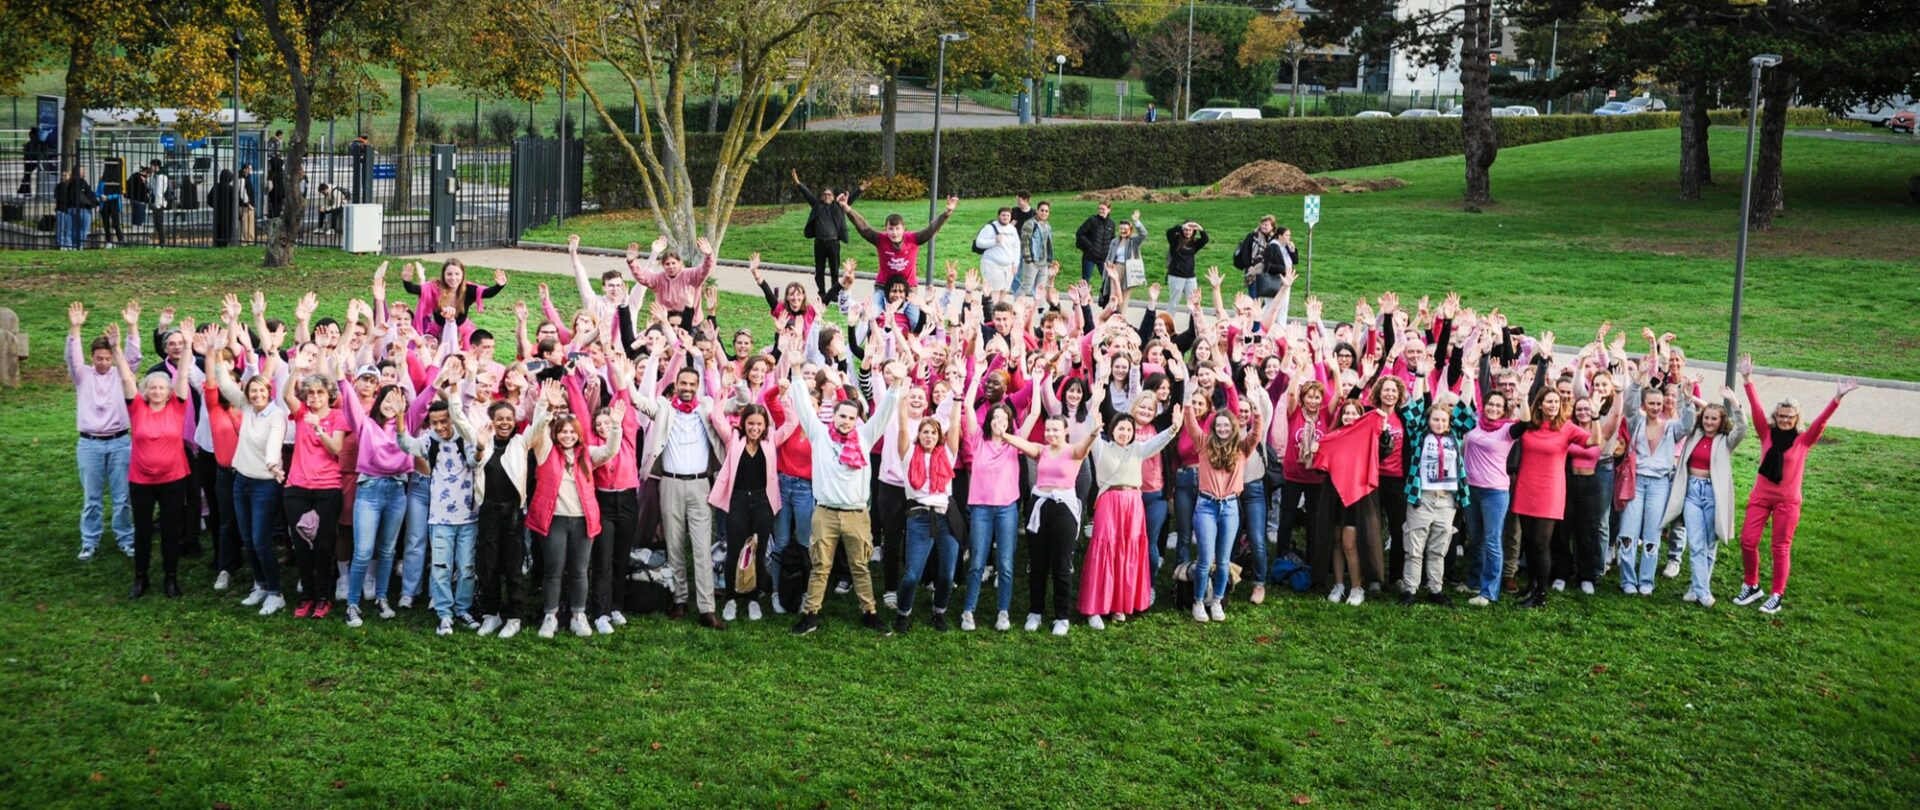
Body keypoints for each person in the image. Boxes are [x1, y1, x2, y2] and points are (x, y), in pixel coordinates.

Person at [786, 363, 903, 636]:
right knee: (820, 566)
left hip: (856, 514)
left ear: (857, 420)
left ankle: (869, 613)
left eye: (851, 417)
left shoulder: (864, 436)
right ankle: (811, 614)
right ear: (833, 416)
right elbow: (803, 405)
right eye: (842, 416)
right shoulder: (819, 435)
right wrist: (794, 371)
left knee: (860, 567)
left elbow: (884, 413)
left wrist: (895, 386)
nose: (846, 421)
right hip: (825, 512)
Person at [1733, 355, 1853, 614]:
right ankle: (1752, 585)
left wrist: (1837, 399)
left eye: (1789, 416)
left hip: (1788, 501)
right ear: (1775, 416)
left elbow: (1820, 423)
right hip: (1761, 496)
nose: (1784, 420)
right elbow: (1755, 408)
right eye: (1780, 416)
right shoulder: (1766, 433)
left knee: (1780, 547)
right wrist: (1747, 379)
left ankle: (1777, 593)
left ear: (1797, 417)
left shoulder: (1804, 440)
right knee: (1747, 541)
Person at [1004, 367, 1104, 635]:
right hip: (1040, 507)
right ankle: (1035, 612)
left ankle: (1062, 616)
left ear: (1064, 432)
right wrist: (1001, 433)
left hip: (1064, 510)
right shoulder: (1040, 450)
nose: (1050, 433)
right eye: (1048, 430)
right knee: (1037, 564)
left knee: (1061, 564)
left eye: (1055, 430)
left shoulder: (1074, 451)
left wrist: (1094, 433)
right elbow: (1018, 443)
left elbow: (1086, 446)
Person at [630, 356, 728, 629]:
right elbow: (638, 401)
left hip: (700, 484)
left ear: (697, 386)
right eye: (683, 382)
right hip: (670, 483)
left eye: (692, 383)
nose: (687, 387)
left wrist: (726, 378)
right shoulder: (663, 408)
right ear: (676, 384)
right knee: (673, 544)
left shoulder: (706, 407)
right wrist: (626, 376)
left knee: (701, 548)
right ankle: (680, 598)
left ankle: (707, 608)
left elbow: (737, 403)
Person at [111, 319, 196, 599]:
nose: (157, 391)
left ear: (168, 392)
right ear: (146, 392)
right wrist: (116, 350)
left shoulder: (177, 406)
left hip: (173, 480)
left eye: (162, 388)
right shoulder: (137, 408)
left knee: (171, 530)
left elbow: (182, 376)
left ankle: (171, 578)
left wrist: (186, 345)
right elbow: (125, 378)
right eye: (153, 388)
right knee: (144, 530)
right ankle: (141, 577)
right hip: (142, 481)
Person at [1082, 401, 1185, 627]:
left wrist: (1174, 428)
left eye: (1129, 429)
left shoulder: (1138, 449)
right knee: (1106, 549)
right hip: (1109, 501)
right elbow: (1092, 430)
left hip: (1133, 504)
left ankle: (1119, 604)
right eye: (1121, 428)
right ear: (1113, 430)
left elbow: (1159, 442)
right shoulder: (1101, 447)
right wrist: (1095, 405)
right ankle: (1095, 608)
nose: (1125, 432)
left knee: (1127, 551)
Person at [209, 329, 288, 616]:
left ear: (270, 394)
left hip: (265, 485)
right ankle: (259, 584)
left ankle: (275, 592)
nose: (256, 394)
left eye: (261, 391)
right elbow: (223, 383)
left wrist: (271, 464)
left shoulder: (276, 416)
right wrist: (217, 352)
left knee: (260, 540)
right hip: (241, 482)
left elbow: (274, 443)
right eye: (252, 390)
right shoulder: (245, 407)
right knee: (246, 538)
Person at [457, 396, 549, 639]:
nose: (504, 422)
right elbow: (458, 420)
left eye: (508, 419)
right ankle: (491, 614)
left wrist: (545, 404)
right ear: (493, 421)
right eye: (500, 419)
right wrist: (455, 389)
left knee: (512, 566)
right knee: (488, 565)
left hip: (513, 512)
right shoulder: (484, 440)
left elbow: (539, 425)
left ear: (514, 421)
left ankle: (514, 617)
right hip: (488, 510)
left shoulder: (521, 442)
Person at [1184, 369, 1270, 621]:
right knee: (1205, 559)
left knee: (1223, 561)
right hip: (1207, 506)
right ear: (1213, 427)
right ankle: (1199, 601)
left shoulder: (1242, 448)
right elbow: (1189, 420)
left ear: (1232, 428)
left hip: (1231, 507)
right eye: (1218, 425)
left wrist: (1254, 404)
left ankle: (1218, 600)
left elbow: (1256, 431)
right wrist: (1188, 396)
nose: (1222, 428)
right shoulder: (1203, 443)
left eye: (1226, 425)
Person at [398, 394, 483, 636]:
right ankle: (444, 613)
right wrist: (400, 417)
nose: (439, 426)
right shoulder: (430, 440)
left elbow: (475, 462)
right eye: (434, 422)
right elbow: (407, 445)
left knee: (466, 567)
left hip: (468, 516)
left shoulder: (464, 439)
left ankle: (462, 609)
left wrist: (479, 447)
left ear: (453, 420)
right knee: (440, 566)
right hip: (439, 518)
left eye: (444, 421)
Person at [523, 381, 602, 638]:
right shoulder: (546, 451)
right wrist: (547, 406)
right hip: (554, 520)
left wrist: (614, 428)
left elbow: (611, 449)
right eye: (563, 432)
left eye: (572, 432)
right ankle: (550, 616)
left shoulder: (587, 455)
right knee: (553, 570)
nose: (567, 436)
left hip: (582, 521)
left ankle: (579, 615)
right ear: (556, 434)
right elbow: (537, 432)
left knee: (580, 570)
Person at [1508, 382, 1595, 608]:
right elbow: (1524, 420)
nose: (1554, 405)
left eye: (1557, 402)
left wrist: (1594, 418)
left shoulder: (1566, 428)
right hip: (1527, 487)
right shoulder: (1531, 426)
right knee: (1528, 540)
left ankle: (1540, 595)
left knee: (1540, 543)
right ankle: (1532, 586)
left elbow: (1594, 442)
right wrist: (1525, 394)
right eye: (1549, 401)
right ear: (1541, 404)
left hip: (1550, 491)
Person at [1660, 382, 1745, 608]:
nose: (1708, 422)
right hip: (1692, 493)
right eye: (1706, 418)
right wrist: (1686, 399)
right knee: (1697, 543)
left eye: (1713, 419)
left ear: (1721, 422)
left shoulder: (1725, 441)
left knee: (1709, 544)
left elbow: (1742, 428)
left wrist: (1735, 403)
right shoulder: (1694, 434)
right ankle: (1704, 592)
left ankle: (1695, 587)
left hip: (1712, 493)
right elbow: (1685, 418)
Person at [68, 301, 141, 561]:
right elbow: (72, 357)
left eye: (108, 358)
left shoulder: (120, 375)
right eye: (99, 358)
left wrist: (132, 328)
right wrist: (75, 329)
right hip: (90, 444)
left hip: (120, 441)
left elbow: (133, 358)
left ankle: (126, 538)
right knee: (93, 498)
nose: (103, 363)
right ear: (92, 358)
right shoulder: (83, 375)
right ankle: (90, 541)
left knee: (122, 497)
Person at [1616, 355, 1694, 597]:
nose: (1656, 407)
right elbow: (1628, 405)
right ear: (1645, 404)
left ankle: (1646, 580)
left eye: (1659, 404)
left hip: (1660, 484)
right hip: (1636, 482)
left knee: (1652, 534)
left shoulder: (1671, 427)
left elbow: (1688, 425)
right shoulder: (1636, 421)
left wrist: (1688, 402)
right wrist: (1638, 380)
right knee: (1628, 532)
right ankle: (1628, 579)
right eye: (1651, 403)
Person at [1398, 387, 1477, 606]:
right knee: (1414, 547)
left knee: (1438, 548)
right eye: (1435, 419)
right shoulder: (1419, 436)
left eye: (1444, 420)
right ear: (1429, 420)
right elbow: (1414, 411)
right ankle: (1409, 589)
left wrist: (1469, 378)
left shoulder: (1456, 436)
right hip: (1422, 497)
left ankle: (1435, 589)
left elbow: (1465, 410)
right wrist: (1421, 376)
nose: (1440, 423)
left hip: (1447, 500)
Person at [892, 391, 961, 633]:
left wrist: (958, 399)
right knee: (912, 574)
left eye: (933, 432)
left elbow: (955, 426)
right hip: (920, 517)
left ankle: (939, 611)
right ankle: (903, 613)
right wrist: (901, 397)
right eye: (924, 432)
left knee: (947, 573)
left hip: (945, 517)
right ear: (918, 435)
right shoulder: (909, 454)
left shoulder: (947, 454)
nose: (929, 435)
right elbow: (902, 429)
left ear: (938, 435)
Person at [708, 401, 780, 623]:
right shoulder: (734, 440)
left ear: (765, 425)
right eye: (750, 423)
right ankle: (731, 598)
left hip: (762, 501)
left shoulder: (771, 441)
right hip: (738, 499)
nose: (755, 428)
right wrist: (724, 393)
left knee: (758, 552)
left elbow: (793, 421)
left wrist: (785, 397)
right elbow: (716, 416)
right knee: (735, 550)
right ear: (743, 423)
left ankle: (753, 599)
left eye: (759, 424)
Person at [843, 194, 958, 296]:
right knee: (874, 312)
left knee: (914, 317)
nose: (894, 233)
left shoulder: (913, 239)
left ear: (904, 228)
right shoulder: (880, 239)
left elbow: (931, 229)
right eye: (891, 229)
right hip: (883, 286)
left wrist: (946, 214)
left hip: (909, 287)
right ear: (885, 229)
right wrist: (847, 209)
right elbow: (864, 228)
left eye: (897, 229)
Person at [792, 169, 866, 299]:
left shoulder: (837, 207)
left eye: (829, 194)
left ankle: (834, 293)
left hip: (833, 243)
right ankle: (821, 292)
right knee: (819, 270)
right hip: (819, 243)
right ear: (821, 196)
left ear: (833, 196)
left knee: (834, 270)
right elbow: (807, 194)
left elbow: (850, 200)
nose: (827, 196)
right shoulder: (817, 206)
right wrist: (798, 183)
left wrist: (859, 189)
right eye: (825, 194)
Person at [625, 235, 715, 328]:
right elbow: (643, 277)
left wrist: (709, 256)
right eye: (667, 264)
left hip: (692, 323)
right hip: (666, 323)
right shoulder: (658, 279)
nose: (671, 266)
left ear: (680, 263)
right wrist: (632, 262)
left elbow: (705, 269)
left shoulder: (691, 275)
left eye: (673, 263)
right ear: (663, 266)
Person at [1233, 216, 1296, 298]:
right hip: (1253, 269)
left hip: (1267, 270)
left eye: (1266, 225)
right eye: (1262, 224)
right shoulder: (1252, 236)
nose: (1263, 226)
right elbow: (1245, 253)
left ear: (1272, 227)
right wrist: (1249, 266)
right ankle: (1254, 309)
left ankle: (1263, 310)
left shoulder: (1274, 240)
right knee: (1254, 294)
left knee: (1269, 294)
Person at [1100, 210, 1147, 306]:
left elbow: (1143, 234)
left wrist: (1136, 221)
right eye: (1121, 229)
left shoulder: (1133, 241)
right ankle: (1111, 316)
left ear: (1130, 230)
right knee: (1113, 295)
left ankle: (1121, 317)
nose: (1123, 231)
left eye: (1125, 229)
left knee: (1124, 297)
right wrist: (1105, 275)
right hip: (1115, 268)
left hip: (1128, 270)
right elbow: (1109, 258)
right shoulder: (1115, 241)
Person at [973, 207, 1021, 293]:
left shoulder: (1012, 229)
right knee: (993, 292)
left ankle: (1000, 306)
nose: (1005, 217)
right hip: (992, 264)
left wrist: (1015, 264)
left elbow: (1016, 247)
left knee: (1004, 290)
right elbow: (978, 243)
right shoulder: (990, 227)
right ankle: (990, 306)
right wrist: (994, 241)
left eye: (1008, 215)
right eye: (1003, 215)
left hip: (1008, 266)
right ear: (998, 216)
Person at [1164, 219, 1209, 305]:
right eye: (1185, 230)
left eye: (1190, 230)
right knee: (1174, 303)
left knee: (1194, 302)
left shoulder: (1194, 243)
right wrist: (1182, 226)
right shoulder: (1175, 240)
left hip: (1190, 277)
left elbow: (1205, 240)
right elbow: (1169, 232)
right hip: (1176, 276)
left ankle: (1194, 319)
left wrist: (1200, 229)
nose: (1187, 232)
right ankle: (1168, 318)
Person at [1017, 200, 1055, 298]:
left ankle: (1039, 310)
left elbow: (1048, 244)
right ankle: (1016, 308)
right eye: (1042, 210)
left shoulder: (1047, 225)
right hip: (1032, 262)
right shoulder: (1030, 224)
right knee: (1026, 286)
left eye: (1046, 211)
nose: (1044, 213)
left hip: (1044, 263)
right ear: (1037, 211)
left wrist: (1049, 260)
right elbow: (1024, 242)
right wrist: (1029, 259)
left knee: (1040, 288)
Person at [1074, 201, 1116, 285]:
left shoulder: (1111, 224)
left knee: (1107, 280)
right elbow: (1080, 233)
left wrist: (1111, 255)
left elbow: (1112, 240)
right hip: (1090, 256)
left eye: (1103, 209)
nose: (1101, 211)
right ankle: (1083, 297)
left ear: (1109, 210)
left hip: (1103, 258)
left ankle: (1104, 298)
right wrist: (1089, 247)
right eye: (1099, 209)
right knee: (1085, 280)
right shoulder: (1092, 220)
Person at [95, 173, 124, 248]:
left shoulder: (115, 182)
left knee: (115, 223)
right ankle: (108, 241)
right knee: (106, 224)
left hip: (114, 204)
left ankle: (121, 239)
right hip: (104, 204)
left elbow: (118, 194)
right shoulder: (102, 181)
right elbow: (97, 192)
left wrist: (108, 197)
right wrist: (100, 196)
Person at [148, 161, 172, 246]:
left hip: (159, 203)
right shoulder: (157, 175)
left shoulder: (160, 176)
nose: (150, 168)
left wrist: (157, 205)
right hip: (159, 202)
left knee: (159, 223)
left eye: (151, 166)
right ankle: (161, 241)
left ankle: (162, 242)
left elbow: (159, 192)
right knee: (157, 223)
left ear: (156, 166)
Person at [238, 164, 257, 243]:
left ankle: (250, 239)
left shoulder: (247, 178)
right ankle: (244, 240)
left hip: (250, 205)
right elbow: (242, 192)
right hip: (245, 206)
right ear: (245, 169)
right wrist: (248, 203)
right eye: (249, 168)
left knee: (250, 223)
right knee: (245, 224)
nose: (250, 170)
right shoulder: (242, 179)